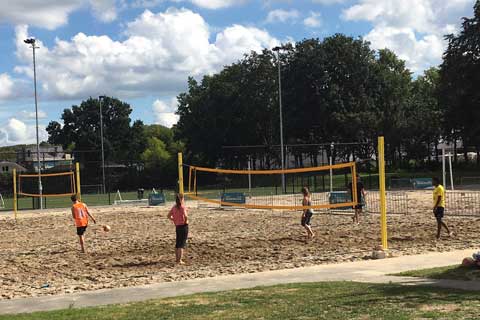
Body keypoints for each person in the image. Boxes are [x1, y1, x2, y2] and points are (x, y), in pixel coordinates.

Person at [167, 193, 189, 265]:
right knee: (181, 244)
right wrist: (185, 222)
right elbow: (185, 216)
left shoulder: (174, 207)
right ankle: (179, 260)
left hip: (177, 226)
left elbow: (168, 216)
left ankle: (177, 259)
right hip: (183, 226)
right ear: (182, 199)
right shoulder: (182, 207)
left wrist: (174, 220)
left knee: (177, 243)